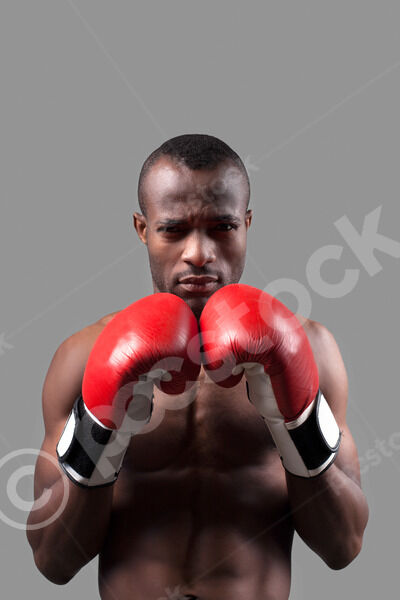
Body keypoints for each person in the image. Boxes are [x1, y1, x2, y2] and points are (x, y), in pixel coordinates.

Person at [26, 134, 369, 600]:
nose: (199, 253)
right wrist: (100, 430)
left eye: (222, 227)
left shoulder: (312, 348)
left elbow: (343, 545)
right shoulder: (84, 355)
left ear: (247, 224)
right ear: (142, 229)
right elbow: (52, 560)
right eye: (173, 229)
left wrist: (297, 421)